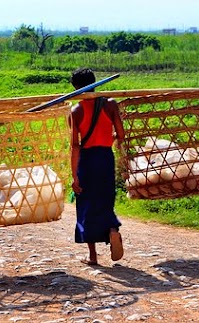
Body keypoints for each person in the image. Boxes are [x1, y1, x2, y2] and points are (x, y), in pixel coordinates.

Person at [68, 67, 125, 266]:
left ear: (75, 88)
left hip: (87, 159)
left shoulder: (76, 111)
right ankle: (112, 230)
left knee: (86, 205)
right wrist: (108, 138)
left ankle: (92, 256)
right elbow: (121, 134)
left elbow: (75, 146)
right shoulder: (110, 104)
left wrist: (74, 176)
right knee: (105, 199)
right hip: (105, 157)